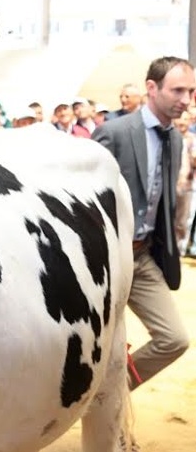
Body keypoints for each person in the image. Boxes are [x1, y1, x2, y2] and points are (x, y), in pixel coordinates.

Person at [92, 56, 193, 390]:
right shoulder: (114, 132)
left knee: (174, 339)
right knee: (98, 346)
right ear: (152, 88)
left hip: (144, 257)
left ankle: (111, 392)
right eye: (178, 90)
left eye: (191, 91)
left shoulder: (175, 140)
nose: (186, 100)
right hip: (103, 262)